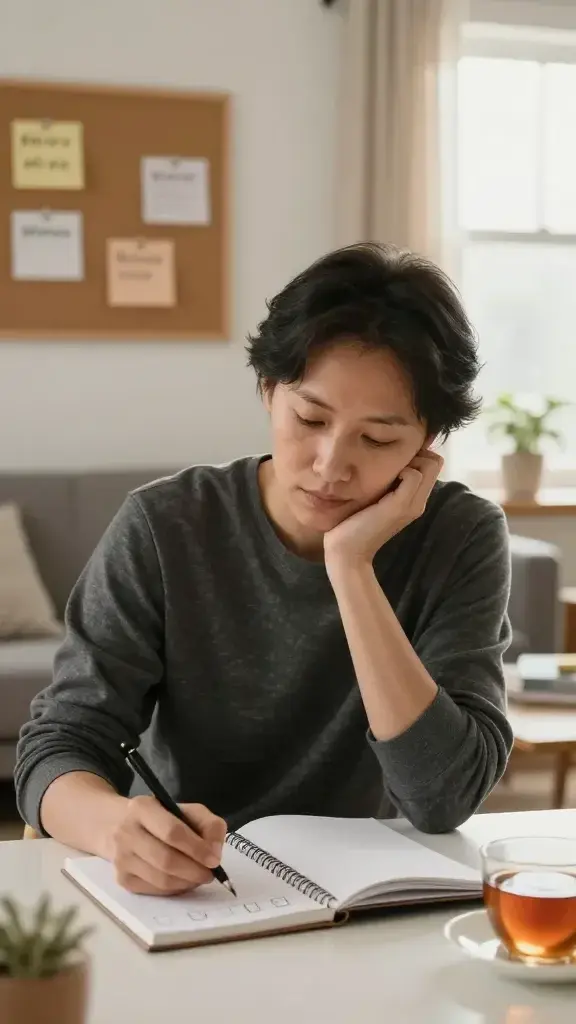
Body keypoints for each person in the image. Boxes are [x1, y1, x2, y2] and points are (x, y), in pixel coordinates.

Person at [15, 243, 513, 897]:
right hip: (185, 891)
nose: (332, 464)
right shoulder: (166, 525)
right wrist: (118, 829)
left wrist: (352, 566)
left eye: (379, 438)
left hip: (362, 898)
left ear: (427, 444)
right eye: (310, 418)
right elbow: (61, 740)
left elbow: (444, 796)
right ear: (267, 390)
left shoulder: (460, 536)